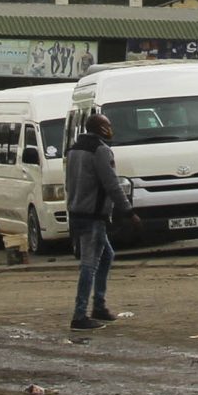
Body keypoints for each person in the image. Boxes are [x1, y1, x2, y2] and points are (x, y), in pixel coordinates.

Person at [64, 111, 129, 330]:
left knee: (106, 256)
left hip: (76, 211)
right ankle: (80, 315)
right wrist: (127, 210)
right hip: (93, 215)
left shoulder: (74, 149)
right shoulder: (100, 150)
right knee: (89, 265)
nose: (111, 128)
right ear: (100, 129)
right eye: (107, 125)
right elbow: (111, 184)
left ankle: (98, 305)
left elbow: (69, 183)